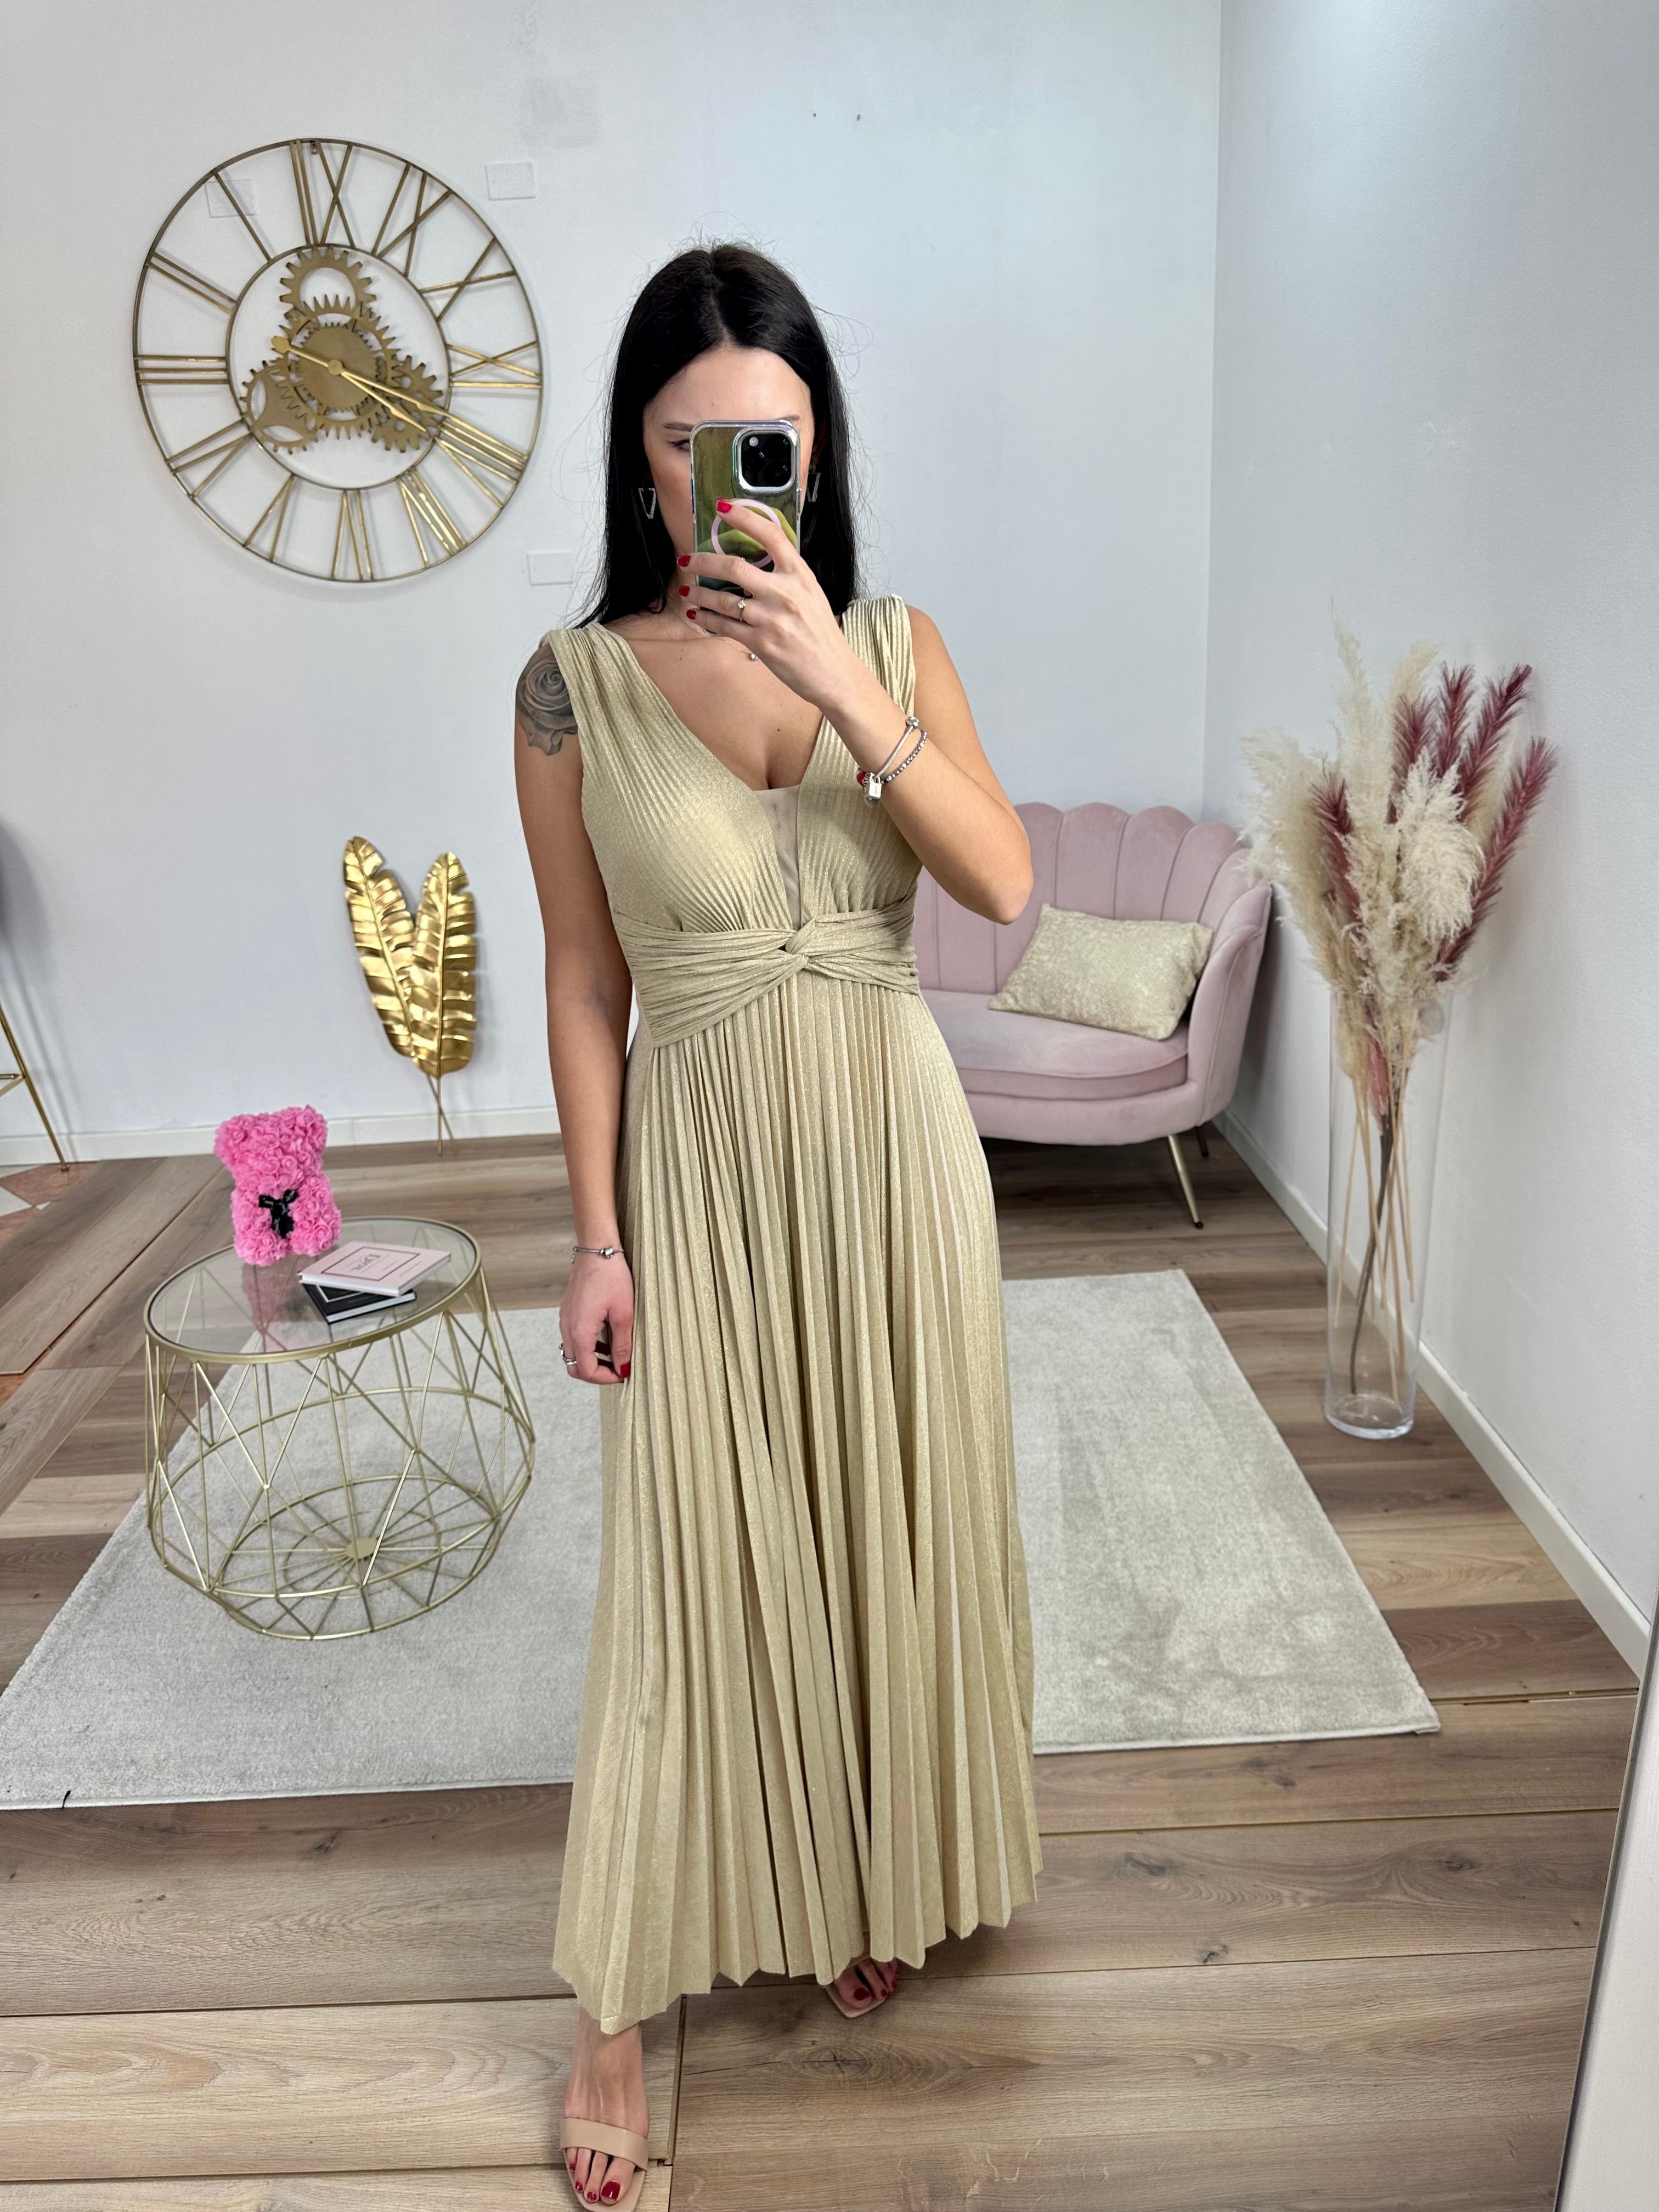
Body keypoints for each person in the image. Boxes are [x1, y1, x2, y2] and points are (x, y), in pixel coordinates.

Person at [514, 242, 1042, 2212]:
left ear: (817, 450)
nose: (731, 479)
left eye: (772, 443)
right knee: (691, 1557)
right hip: (708, 1164)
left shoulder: (894, 639)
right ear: (635, 452)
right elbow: (585, 981)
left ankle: (852, 1874)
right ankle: (613, 2002)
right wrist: (595, 1236)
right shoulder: (569, 688)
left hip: (895, 1150)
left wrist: (843, 686)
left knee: (879, 1513)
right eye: (689, 442)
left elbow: (1003, 887)